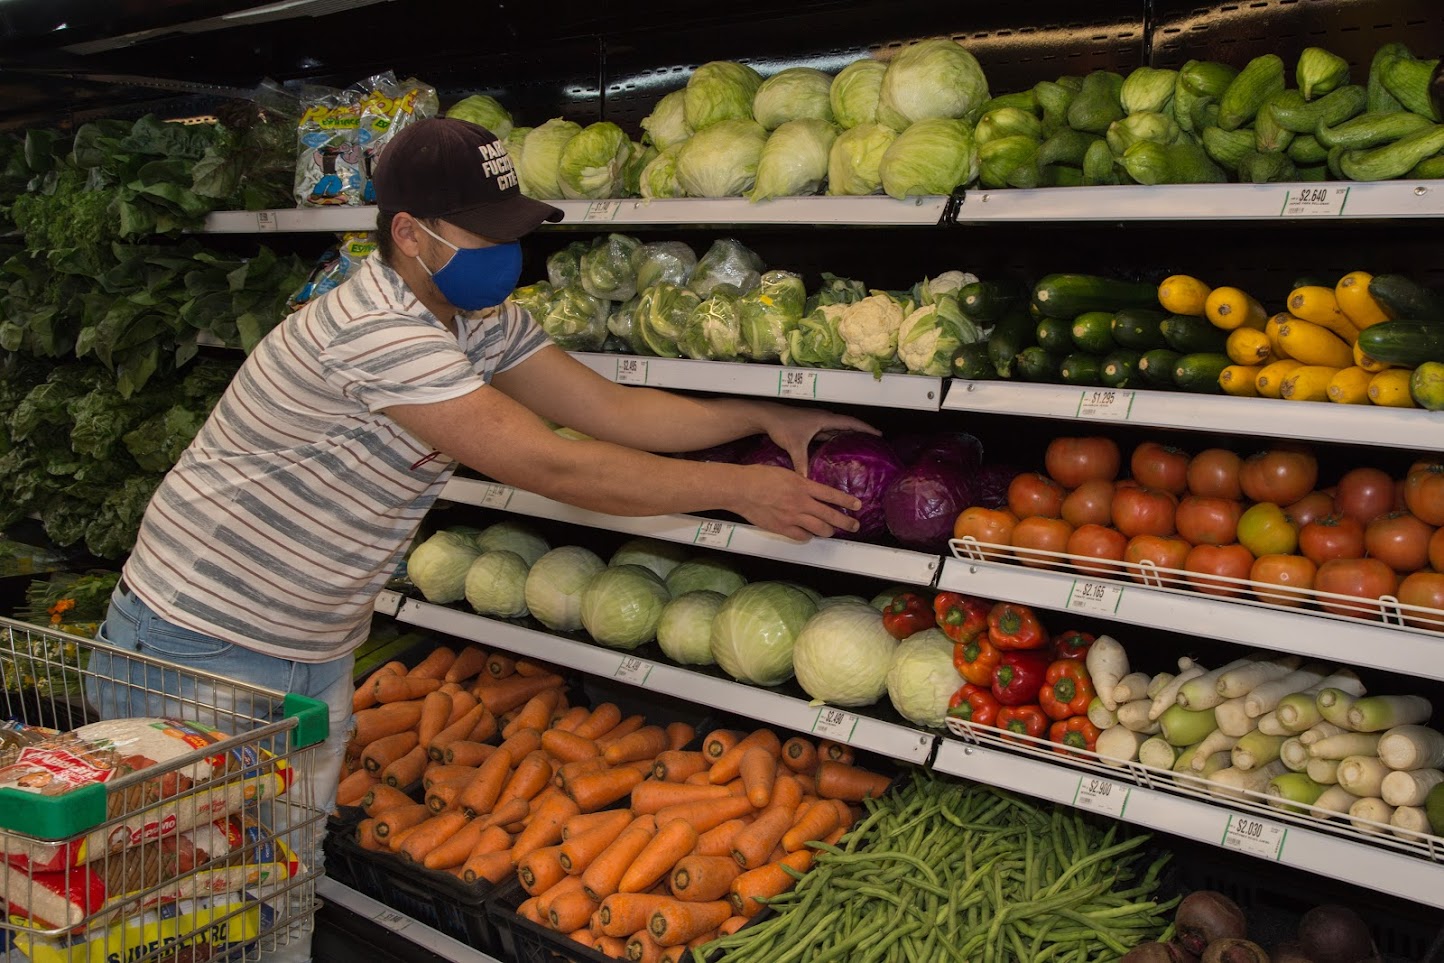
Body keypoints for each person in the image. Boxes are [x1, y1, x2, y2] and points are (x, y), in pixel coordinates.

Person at [86, 117, 871, 959]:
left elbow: (608, 409)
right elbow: (552, 463)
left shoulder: (479, 317)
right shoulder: (377, 329)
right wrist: (739, 489)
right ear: (408, 234)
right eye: (484, 234)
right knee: (174, 907)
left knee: (277, 885)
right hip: (201, 643)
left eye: (512, 230)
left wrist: (760, 415)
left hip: (310, 645)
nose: (506, 253)